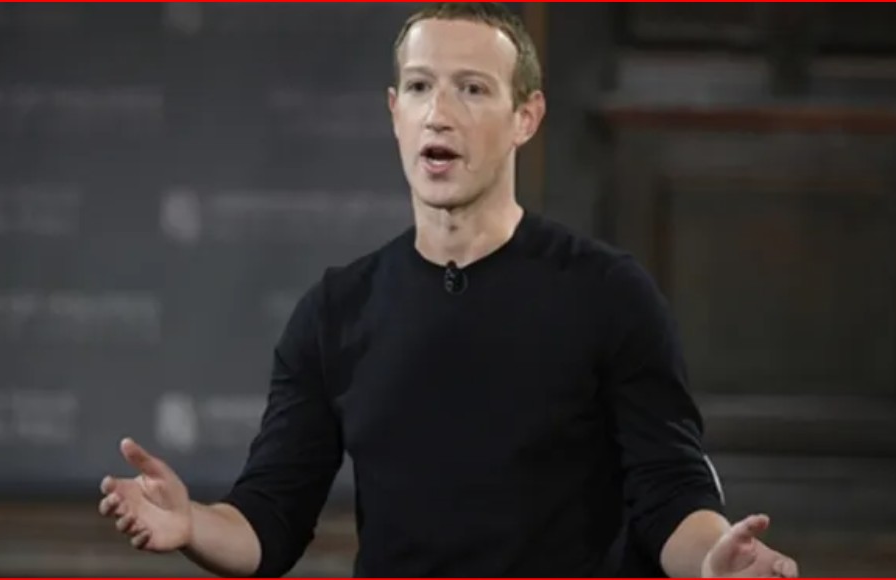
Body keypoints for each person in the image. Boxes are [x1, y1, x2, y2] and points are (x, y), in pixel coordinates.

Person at [99, 3, 799, 577]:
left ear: (526, 117)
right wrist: (193, 524)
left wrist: (714, 560)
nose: (439, 112)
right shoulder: (336, 311)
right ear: (394, 111)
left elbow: (671, 492)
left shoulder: (608, 294)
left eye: (472, 89)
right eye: (419, 87)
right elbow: (269, 520)